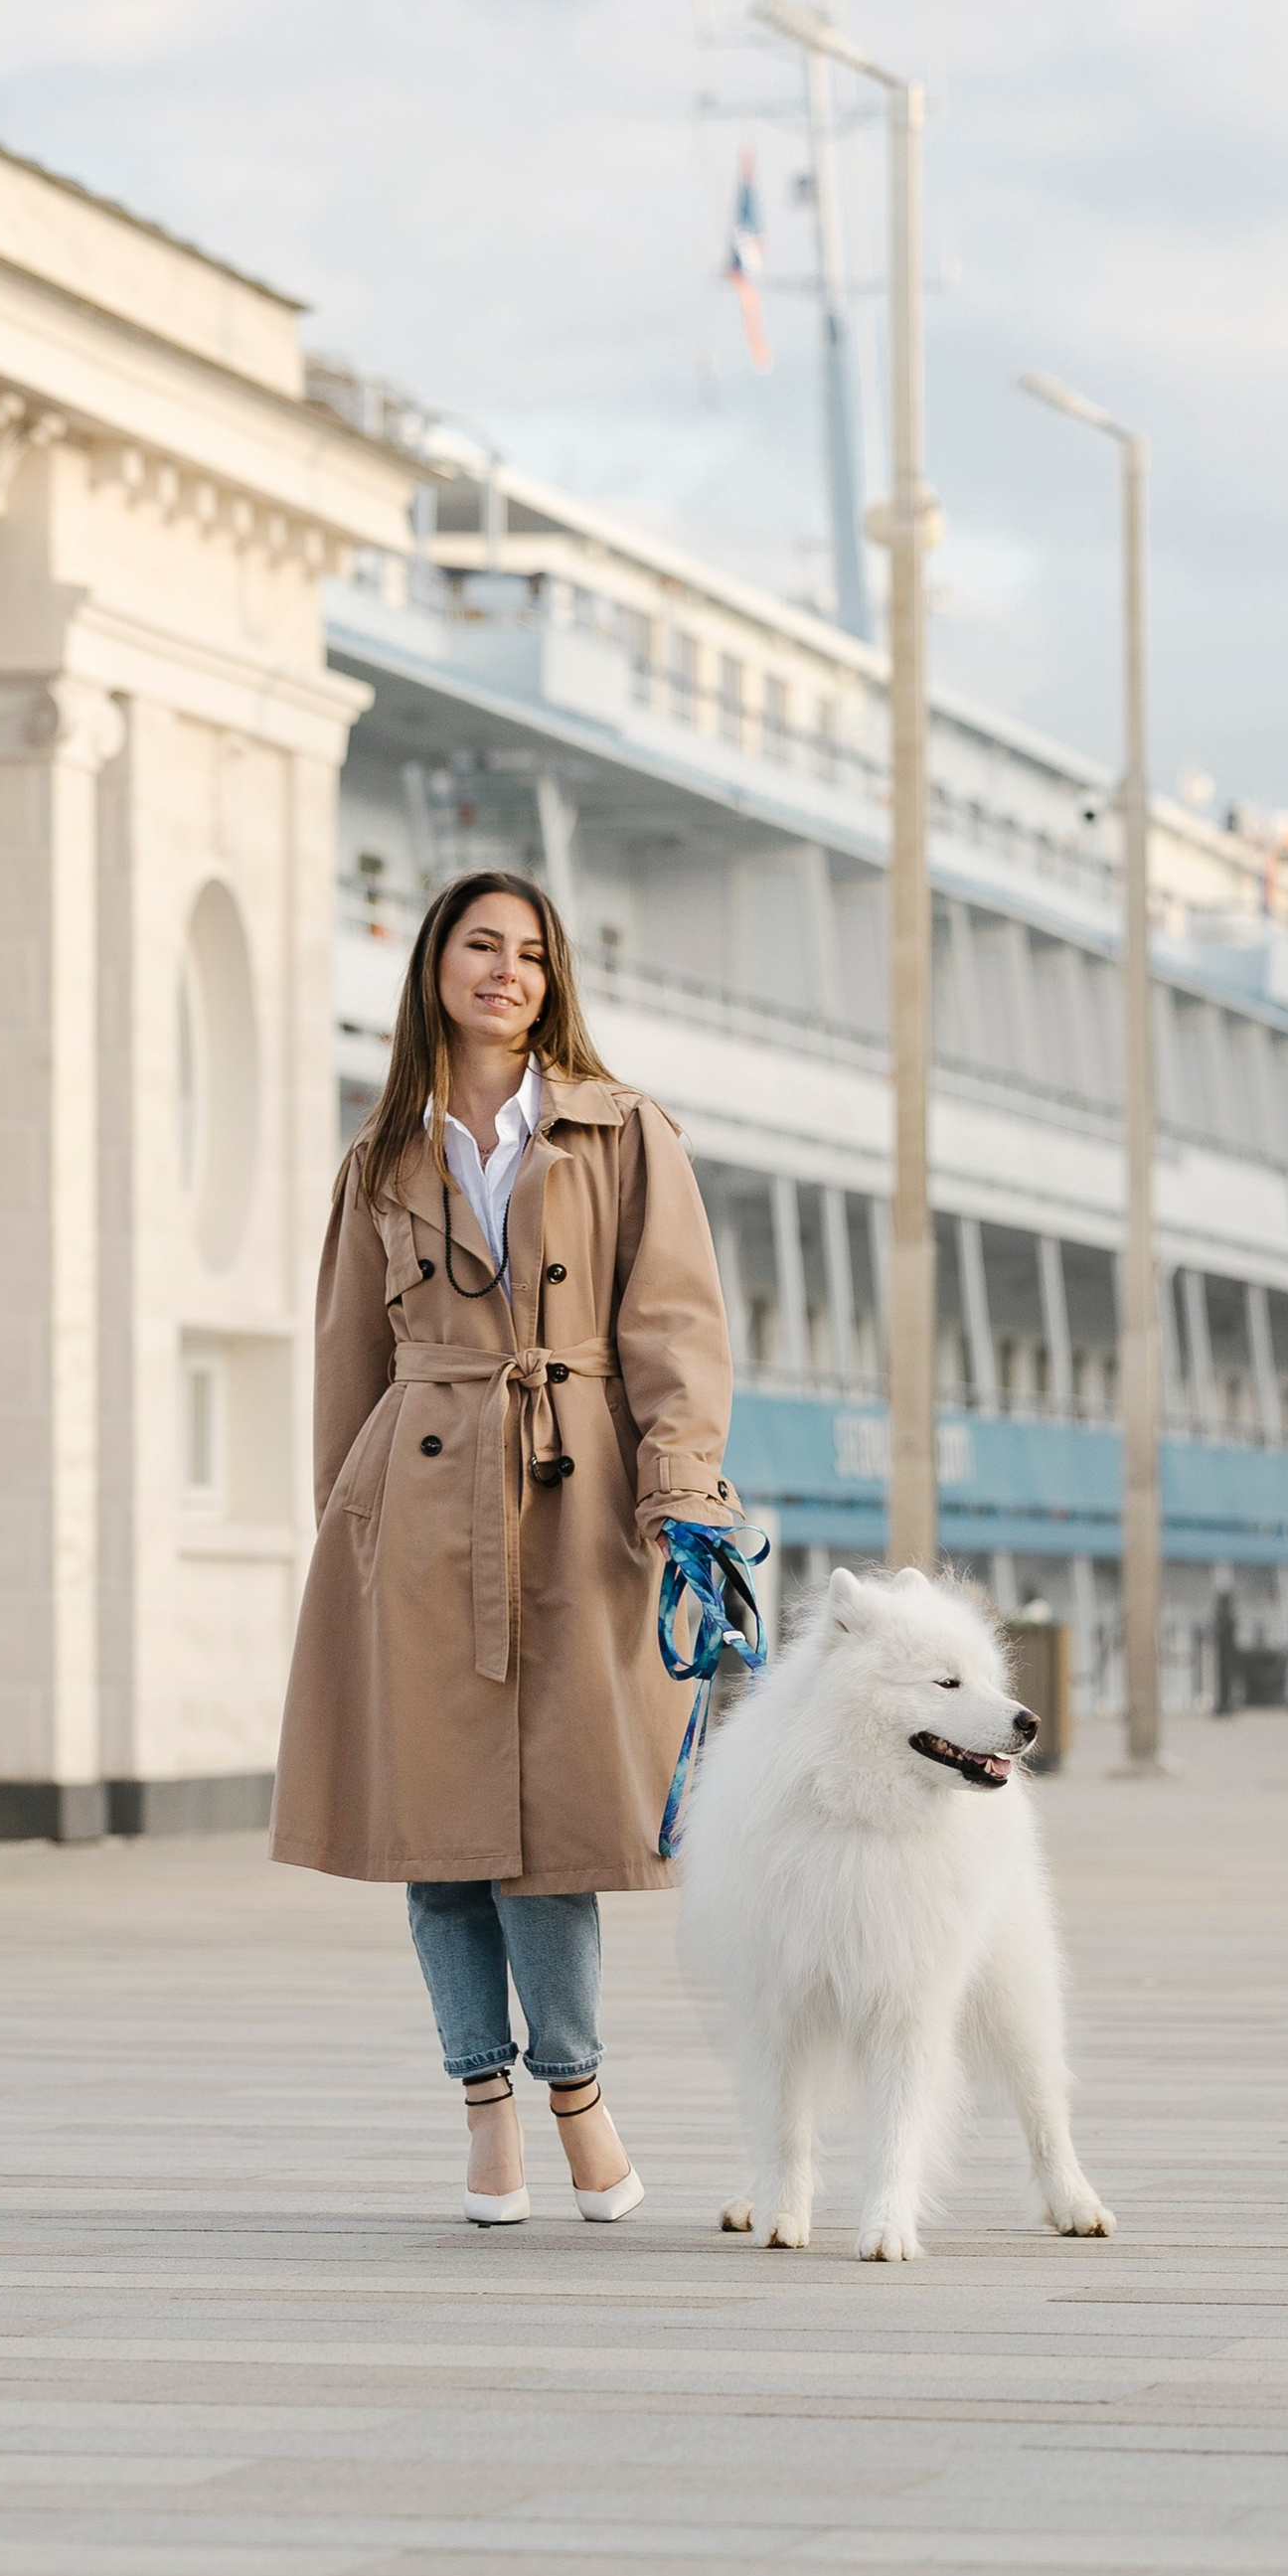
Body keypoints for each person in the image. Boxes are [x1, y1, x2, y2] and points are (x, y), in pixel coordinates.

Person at [272, 869, 740, 2226]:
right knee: (441, 1827)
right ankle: (486, 2112)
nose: (508, 971)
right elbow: (343, 1360)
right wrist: (344, 1536)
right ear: (433, 966)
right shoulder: (381, 1159)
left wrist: (683, 1488)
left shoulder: (623, 1131)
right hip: (412, 1517)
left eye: (531, 953)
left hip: (578, 1495)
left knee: (556, 1825)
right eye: (482, 946)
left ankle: (579, 2102)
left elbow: (676, 1327)